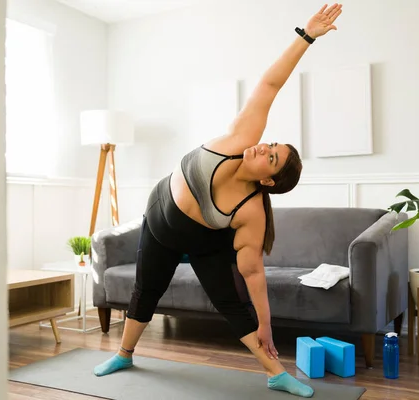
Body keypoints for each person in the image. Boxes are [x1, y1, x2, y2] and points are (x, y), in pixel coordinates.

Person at [92, 3, 343, 398]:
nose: (264, 146)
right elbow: (270, 85)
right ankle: (124, 353)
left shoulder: (251, 213)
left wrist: (267, 324)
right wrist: (306, 36)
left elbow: (254, 274)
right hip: (160, 219)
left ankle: (276, 373)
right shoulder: (242, 137)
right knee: (146, 290)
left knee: (232, 304)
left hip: (204, 240)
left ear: (269, 179)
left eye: (271, 156)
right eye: (272, 144)